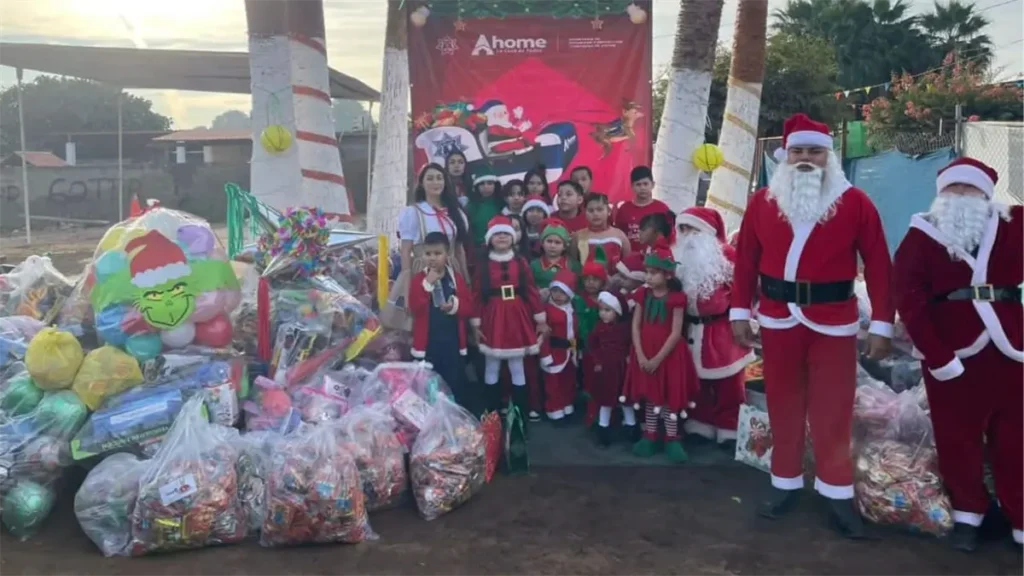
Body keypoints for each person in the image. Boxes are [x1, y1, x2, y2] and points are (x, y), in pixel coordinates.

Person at [730, 113, 893, 538]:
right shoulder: (763, 201)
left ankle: (836, 492)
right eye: (799, 151)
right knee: (783, 402)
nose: (806, 158)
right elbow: (745, 259)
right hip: (778, 318)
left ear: (828, 155)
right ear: (786, 155)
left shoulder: (856, 202)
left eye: (815, 151)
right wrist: (739, 312)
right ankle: (784, 482)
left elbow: (879, 264)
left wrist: (881, 324)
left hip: (834, 321)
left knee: (833, 409)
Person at [892, 157, 1022, 552]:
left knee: (1016, 439)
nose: (962, 195)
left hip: (1010, 348)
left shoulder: (1015, 224)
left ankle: (1021, 515)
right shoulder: (921, 235)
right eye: (954, 188)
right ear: (940, 194)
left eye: (971, 189)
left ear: (987, 194)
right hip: (951, 351)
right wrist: (937, 355)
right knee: (956, 438)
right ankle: (969, 513)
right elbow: (908, 298)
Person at [674, 207, 755, 448]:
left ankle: (729, 427)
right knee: (698, 384)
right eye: (683, 229)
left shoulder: (727, 257)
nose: (687, 235)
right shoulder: (678, 260)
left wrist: (747, 318)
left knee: (729, 385)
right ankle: (700, 424)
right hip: (691, 331)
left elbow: (748, 289)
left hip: (722, 333)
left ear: (707, 232)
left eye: (693, 229)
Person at [620, 239, 698, 462]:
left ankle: (672, 438)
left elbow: (675, 333)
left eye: (654, 273)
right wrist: (641, 354)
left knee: (668, 396)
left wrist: (657, 358)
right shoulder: (643, 295)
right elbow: (636, 325)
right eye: (647, 272)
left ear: (667, 275)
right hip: (644, 351)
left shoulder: (676, 299)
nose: (648, 277)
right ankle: (650, 435)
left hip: (669, 355)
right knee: (651, 396)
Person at [472, 215, 548, 416]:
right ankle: (493, 411)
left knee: (517, 363)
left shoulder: (521, 262)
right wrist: (476, 324)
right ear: (489, 239)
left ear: (513, 237)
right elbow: (477, 294)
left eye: (506, 233)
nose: (502, 237)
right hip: (493, 316)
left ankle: (520, 411)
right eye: (497, 234)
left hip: (517, 315)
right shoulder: (484, 265)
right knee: (492, 363)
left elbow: (531, 290)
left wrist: (540, 319)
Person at [382, 163, 471, 331]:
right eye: (429, 178)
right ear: (421, 183)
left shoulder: (455, 213)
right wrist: (407, 288)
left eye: (439, 178)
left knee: (453, 318)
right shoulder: (413, 213)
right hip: (422, 270)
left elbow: (459, 250)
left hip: (451, 270)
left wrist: (466, 279)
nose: (435, 182)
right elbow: (406, 250)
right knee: (426, 320)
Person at [408, 231, 475, 411]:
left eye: (437, 253)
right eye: (428, 254)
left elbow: (469, 307)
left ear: (448, 254)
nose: (432, 258)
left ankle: (456, 420)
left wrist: (454, 305)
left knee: (454, 383)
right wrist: (427, 284)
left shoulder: (455, 278)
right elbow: (415, 308)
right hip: (429, 344)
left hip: (452, 343)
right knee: (428, 386)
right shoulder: (418, 279)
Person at [584, 290, 634, 446]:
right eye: (601, 310)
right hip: (606, 369)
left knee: (626, 399)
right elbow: (592, 344)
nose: (603, 314)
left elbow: (631, 343)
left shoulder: (626, 328)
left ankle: (631, 427)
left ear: (617, 312)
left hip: (622, 368)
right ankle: (603, 429)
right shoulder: (599, 328)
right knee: (605, 400)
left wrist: (629, 357)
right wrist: (598, 360)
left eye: (607, 310)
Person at [539, 269, 578, 423]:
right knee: (553, 385)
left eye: (562, 292)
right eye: (555, 291)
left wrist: (575, 350)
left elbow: (574, 332)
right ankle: (554, 410)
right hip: (553, 353)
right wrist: (545, 355)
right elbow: (543, 335)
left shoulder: (571, 309)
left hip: (569, 353)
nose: (558, 296)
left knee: (568, 382)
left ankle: (567, 406)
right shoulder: (547, 310)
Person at [613, 165, 672, 251]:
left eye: (645, 184)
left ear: (653, 184)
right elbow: (618, 236)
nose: (642, 188)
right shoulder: (624, 209)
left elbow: (670, 237)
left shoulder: (662, 209)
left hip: (655, 260)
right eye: (638, 184)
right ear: (632, 186)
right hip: (629, 260)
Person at [574, 192, 631, 274]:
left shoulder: (619, 235)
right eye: (591, 210)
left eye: (600, 209)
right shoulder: (578, 236)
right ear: (585, 213)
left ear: (608, 211)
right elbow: (573, 266)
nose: (595, 214)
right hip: (586, 284)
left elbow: (628, 265)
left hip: (615, 284)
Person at [530, 219, 581, 302]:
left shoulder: (572, 265)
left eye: (557, 243)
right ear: (542, 243)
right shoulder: (534, 265)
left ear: (564, 246)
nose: (552, 246)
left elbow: (579, 288)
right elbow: (529, 288)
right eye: (549, 241)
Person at [465, 164, 505, 251]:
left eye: (490, 183)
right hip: (479, 249)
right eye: (482, 184)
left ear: (495, 185)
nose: (486, 187)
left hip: (502, 248)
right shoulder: (470, 206)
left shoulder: (502, 203)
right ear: (476, 186)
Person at [522, 194, 552, 258]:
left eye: (539, 211)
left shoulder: (550, 233)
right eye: (531, 210)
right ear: (525, 214)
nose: (534, 214)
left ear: (545, 215)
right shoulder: (520, 233)